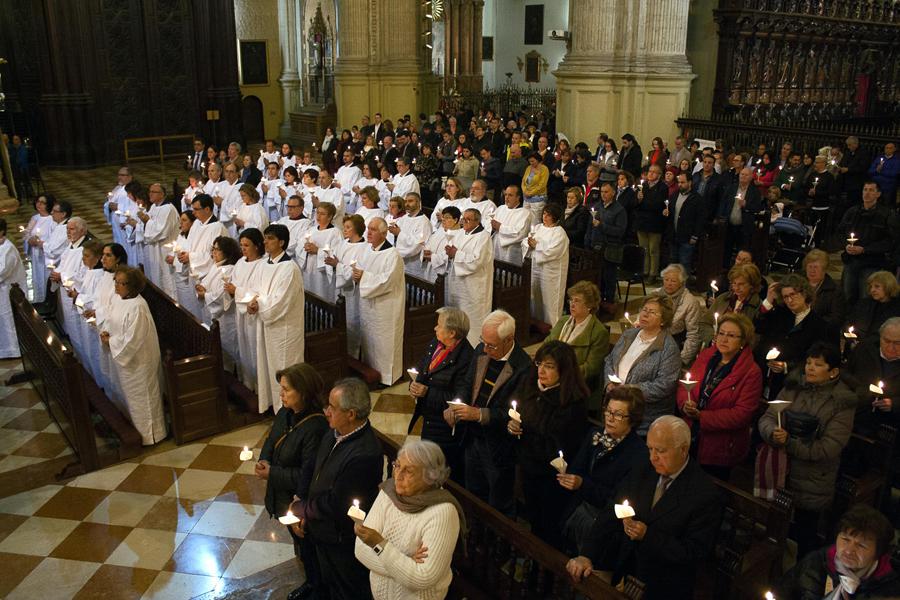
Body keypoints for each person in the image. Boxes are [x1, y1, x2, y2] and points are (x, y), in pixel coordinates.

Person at [566, 416, 722, 600]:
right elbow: (612, 510)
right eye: (650, 449)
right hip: (626, 569)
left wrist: (648, 536)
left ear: (683, 449)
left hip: (664, 585)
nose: (653, 457)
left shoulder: (704, 493)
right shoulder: (643, 468)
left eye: (661, 451)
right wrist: (587, 555)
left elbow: (694, 553)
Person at [758, 343, 856, 558]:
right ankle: (771, 565)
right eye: (809, 363)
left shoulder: (841, 402)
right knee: (774, 527)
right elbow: (767, 417)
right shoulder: (793, 386)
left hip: (813, 478)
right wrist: (772, 432)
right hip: (781, 469)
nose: (810, 368)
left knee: (805, 532)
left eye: (818, 364)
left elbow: (830, 446)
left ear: (833, 372)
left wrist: (789, 443)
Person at [288, 378, 383, 600]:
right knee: (321, 576)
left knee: (343, 588)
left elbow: (337, 504)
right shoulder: (336, 431)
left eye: (332, 407)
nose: (326, 411)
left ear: (351, 414)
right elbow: (312, 464)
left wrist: (301, 509)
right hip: (318, 522)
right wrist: (299, 497)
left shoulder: (365, 454)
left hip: (339, 536)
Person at [354, 439, 464, 600]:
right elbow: (360, 550)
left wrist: (379, 544)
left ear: (430, 477)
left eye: (409, 471)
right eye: (397, 466)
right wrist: (406, 563)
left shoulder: (442, 512)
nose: (398, 475)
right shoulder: (389, 492)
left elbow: (423, 578)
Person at [507, 341, 590, 549]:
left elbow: (557, 446)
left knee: (548, 529)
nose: (541, 371)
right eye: (539, 364)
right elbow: (517, 414)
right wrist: (512, 426)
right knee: (534, 520)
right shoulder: (530, 384)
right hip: (528, 468)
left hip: (552, 478)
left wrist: (524, 434)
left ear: (564, 370)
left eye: (550, 366)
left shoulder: (573, 402)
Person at [257, 363, 329, 598]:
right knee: (301, 544)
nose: (281, 394)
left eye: (286, 389)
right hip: (282, 494)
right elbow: (271, 439)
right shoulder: (284, 413)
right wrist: (264, 460)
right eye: (281, 388)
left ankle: (316, 586)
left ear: (304, 392)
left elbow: (307, 474)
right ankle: (311, 578)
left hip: (300, 500)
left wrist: (272, 473)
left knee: (310, 546)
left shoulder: (316, 427)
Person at [449, 310, 531, 515]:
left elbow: (513, 413)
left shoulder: (524, 367)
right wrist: (455, 405)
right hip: (472, 437)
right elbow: (467, 384)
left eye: (491, 345)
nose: (485, 348)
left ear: (509, 339)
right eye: (483, 341)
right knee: (474, 491)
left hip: (497, 446)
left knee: (498, 501)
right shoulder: (481, 350)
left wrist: (478, 415)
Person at [558, 386, 647, 554]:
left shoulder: (638, 453)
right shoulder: (595, 434)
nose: (610, 418)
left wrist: (583, 485)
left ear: (633, 419)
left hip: (603, 525)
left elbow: (619, 500)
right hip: (577, 511)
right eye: (608, 411)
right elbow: (577, 468)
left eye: (619, 414)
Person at [677, 313, 761, 481]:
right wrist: (685, 404)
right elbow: (685, 385)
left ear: (743, 341)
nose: (723, 339)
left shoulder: (751, 372)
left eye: (731, 336)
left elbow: (742, 415)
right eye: (721, 333)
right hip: (690, 434)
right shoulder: (706, 356)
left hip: (720, 446)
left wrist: (703, 417)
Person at [99, 266, 166, 445]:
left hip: (139, 362)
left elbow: (133, 339)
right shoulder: (119, 299)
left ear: (133, 286)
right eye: (116, 282)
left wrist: (111, 342)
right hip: (126, 361)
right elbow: (110, 319)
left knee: (143, 397)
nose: (117, 286)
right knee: (131, 398)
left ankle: (151, 435)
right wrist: (105, 332)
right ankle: (137, 433)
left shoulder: (138, 307)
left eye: (122, 283)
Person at [777, 504, 900, 600]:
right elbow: (782, 592)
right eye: (845, 539)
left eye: (861, 545)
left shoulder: (889, 590)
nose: (849, 550)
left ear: (878, 553)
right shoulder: (816, 563)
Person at [408, 307, 475, 481]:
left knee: (442, 471)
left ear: (452, 333)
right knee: (428, 465)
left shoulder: (466, 358)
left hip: (446, 427)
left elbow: (459, 398)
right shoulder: (435, 344)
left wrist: (427, 392)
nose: (435, 329)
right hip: (429, 419)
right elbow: (422, 369)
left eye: (439, 326)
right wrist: (414, 384)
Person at [604, 294, 682, 435]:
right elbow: (610, 360)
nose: (645, 314)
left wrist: (629, 391)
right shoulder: (629, 334)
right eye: (644, 309)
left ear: (663, 320)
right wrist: (609, 382)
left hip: (643, 420)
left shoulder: (668, 348)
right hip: (616, 409)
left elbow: (664, 385)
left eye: (652, 312)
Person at [249, 224, 306, 413]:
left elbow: (281, 300)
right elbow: (256, 290)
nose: (265, 242)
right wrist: (253, 300)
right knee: (270, 367)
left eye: (270, 238)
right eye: (265, 238)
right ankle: (275, 405)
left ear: (281, 242)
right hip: (267, 325)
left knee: (286, 368)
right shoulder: (265, 264)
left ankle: (290, 409)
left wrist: (260, 304)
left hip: (284, 328)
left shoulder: (289, 268)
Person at [755, 273, 836, 400]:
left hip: (795, 382)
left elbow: (816, 356)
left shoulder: (820, 325)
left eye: (793, 294)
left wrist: (787, 366)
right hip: (765, 375)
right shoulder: (779, 314)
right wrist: (768, 301)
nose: (789, 300)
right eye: (785, 297)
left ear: (804, 293)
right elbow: (759, 327)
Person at [545, 280, 610, 414]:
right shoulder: (563, 321)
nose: (572, 304)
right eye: (571, 300)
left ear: (589, 305)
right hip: (552, 373)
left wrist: (562, 374)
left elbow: (591, 368)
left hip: (577, 383)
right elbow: (546, 346)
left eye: (577, 300)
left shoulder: (598, 331)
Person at [354, 217, 406, 386]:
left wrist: (364, 277)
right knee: (370, 339)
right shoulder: (367, 250)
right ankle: (371, 373)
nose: (368, 232)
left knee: (385, 341)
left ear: (384, 233)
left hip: (386, 306)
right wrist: (356, 276)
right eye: (368, 228)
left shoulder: (393, 255)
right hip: (368, 305)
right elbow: (359, 270)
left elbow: (387, 281)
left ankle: (387, 376)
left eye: (373, 229)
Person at [837, 180, 899, 305]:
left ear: (878, 194)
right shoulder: (852, 212)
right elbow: (841, 232)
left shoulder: (886, 214)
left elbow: (891, 241)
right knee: (848, 293)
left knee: (866, 295)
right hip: (852, 260)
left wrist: (865, 249)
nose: (867, 193)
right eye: (865, 190)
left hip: (872, 261)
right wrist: (846, 245)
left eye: (871, 190)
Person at [442, 208, 494, 347]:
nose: (464, 222)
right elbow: (453, 251)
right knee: (458, 319)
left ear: (477, 221)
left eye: (468, 219)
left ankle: (473, 349)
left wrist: (456, 254)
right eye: (463, 219)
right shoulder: (460, 233)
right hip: (458, 285)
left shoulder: (483, 237)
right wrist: (450, 252)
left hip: (474, 287)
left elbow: (477, 261)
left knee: (472, 322)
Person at [228, 229, 266, 391]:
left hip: (253, 313)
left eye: (247, 245)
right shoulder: (240, 262)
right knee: (243, 346)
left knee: (254, 348)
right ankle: (247, 382)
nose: (243, 249)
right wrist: (232, 290)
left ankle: (259, 387)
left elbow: (258, 292)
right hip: (240, 312)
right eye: (241, 245)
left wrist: (236, 291)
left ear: (257, 246)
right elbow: (233, 283)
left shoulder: (263, 265)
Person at [195, 236, 241, 370]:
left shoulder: (230, 269)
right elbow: (205, 284)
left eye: (217, 250)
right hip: (213, 316)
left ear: (227, 251)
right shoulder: (216, 266)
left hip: (226, 319)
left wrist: (205, 294)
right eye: (213, 249)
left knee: (228, 350)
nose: (213, 253)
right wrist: (200, 288)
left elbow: (222, 297)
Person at [523, 203, 570, 325]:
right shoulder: (538, 228)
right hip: (536, 268)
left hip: (551, 272)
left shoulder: (560, 233)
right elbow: (526, 241)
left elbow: (553, 251)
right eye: (544, 213)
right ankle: (537, 323)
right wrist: (528, 243)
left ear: (555, 217)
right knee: (536, 297)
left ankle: (552, 326)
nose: (545, 217)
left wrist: (536, 246)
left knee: (550, 300)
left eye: (548, 215)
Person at [585, 182, 627, 310]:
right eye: (602, 192)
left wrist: (602, 225)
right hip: (595, 247)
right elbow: (589, 227)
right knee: (597, 277)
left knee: (608, 278)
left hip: (610, 249)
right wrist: (587, 242)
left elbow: (620, 231)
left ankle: (608, 304)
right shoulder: (597, 206)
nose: (603, 194)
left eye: (606, 192)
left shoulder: (619, 210)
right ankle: (597, 302)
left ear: (613, 193)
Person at [138, 182, 179, 298]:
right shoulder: (154, 207)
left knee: (167, 281)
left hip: (164, 250)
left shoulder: (168, 209)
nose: (150, 194)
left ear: (162, 194)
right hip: (155, 250)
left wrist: (147, 221)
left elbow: (161, 232)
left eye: (154, 192)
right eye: (150, 191)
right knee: (156, 278)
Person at [719, 167, 765, 267]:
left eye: (746, 175)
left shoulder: (754, 191)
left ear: (751, 177)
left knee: (742, 251)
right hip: (729, 225)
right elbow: (723, 203)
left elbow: (758, 208)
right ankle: (725, 270)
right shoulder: (731, 188)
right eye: (741, 174)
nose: (743, 176)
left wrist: (746, 204)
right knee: (726, 250)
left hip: (744, 226)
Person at [659, 264, 702, 367]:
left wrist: (682, 361)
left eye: (673, 281)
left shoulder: (690, 301)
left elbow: (693, 334)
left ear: (681, 283)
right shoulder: (655, 294)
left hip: (673, 343)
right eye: (666, 279)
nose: (669, 283)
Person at [298, 203, 341, 299]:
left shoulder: (335, 232)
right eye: (317, 213)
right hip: (309, 269)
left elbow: (337, 254)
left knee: (322, 295)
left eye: (322, 214)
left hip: (323, 273)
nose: (318, 216)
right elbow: (299, 246)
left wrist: (318, 250)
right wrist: (305, 247)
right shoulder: (311, 230)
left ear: (330, 217)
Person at [634, 164, 668, 283]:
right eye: (650, 171)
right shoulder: (643, 185)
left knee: (653, 250)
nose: (651, 174)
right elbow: (637, 205)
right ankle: (644, 271)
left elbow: (658, 204)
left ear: (659, 175)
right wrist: (638, 199)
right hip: (642, 222)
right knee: (643, 249)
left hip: (655, 223)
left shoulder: (663, 187)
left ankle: (653, 273)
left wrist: (644, 201)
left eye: (654, 172)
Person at [665, 172, 705, 271]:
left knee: (685, 263)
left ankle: (684, 285)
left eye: (683, 182)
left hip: (687, 236)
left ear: (690, 182)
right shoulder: (674, 195)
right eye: (679, 182)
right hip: (674, 235)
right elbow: (670, 211)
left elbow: (700, 219)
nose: (680, 185)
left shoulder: (697, 198)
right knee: (672, 262)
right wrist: (666, 212)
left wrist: (695, 235)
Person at [847, 271, 900, 342]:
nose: (872, 290)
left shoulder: (896, 308)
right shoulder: (863, 304)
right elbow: (849, 322)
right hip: (857, 344)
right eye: (871, 286)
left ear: (888, 286)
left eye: (877, 286)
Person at [0, 218, 27, 358]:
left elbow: (3, 271)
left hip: (8, 292)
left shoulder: (8, 248)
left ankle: (13, 350)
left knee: (7, 318)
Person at [803, 248, 845, 337]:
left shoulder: (835, 290)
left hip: (821, 333)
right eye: (810, 266)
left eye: (816, 267)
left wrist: (812, 323)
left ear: (824, 269)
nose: (812, 270)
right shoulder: (799, 284)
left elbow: (836, 319)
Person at [23, 194, 55, 303]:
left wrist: (41, 243)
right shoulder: (35, 218)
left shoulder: (52, 220)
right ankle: (39, 300)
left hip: (47, 256)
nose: (39, 204)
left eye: (42, 202)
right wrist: (29, 240)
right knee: (37, 279)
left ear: (49, 204)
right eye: (37, 201)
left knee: (46, 279)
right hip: (36, 256)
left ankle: (48, 301)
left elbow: (54, 240)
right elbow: (27, 233)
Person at [490, 185, 532, 265]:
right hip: (495, 248)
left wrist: (500, 227)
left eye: (510, 195)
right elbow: (490, 226)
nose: (506, 198)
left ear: (518, 197)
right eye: (505, 194)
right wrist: (492, 227)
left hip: (511, 252)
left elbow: (520, 233)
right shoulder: (500, 208)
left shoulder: (524, 213)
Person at [522, 152, 550, 224]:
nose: (531, 163)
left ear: (538, 160)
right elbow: (524, 181)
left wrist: (531, 193)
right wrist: (525, 191)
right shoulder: (528, 168)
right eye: (529, 161)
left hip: (538, 199)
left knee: (535, 221)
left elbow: (542, 185)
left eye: (533, 161)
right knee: (524, 219)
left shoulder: (544, 169)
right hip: (526, 198)